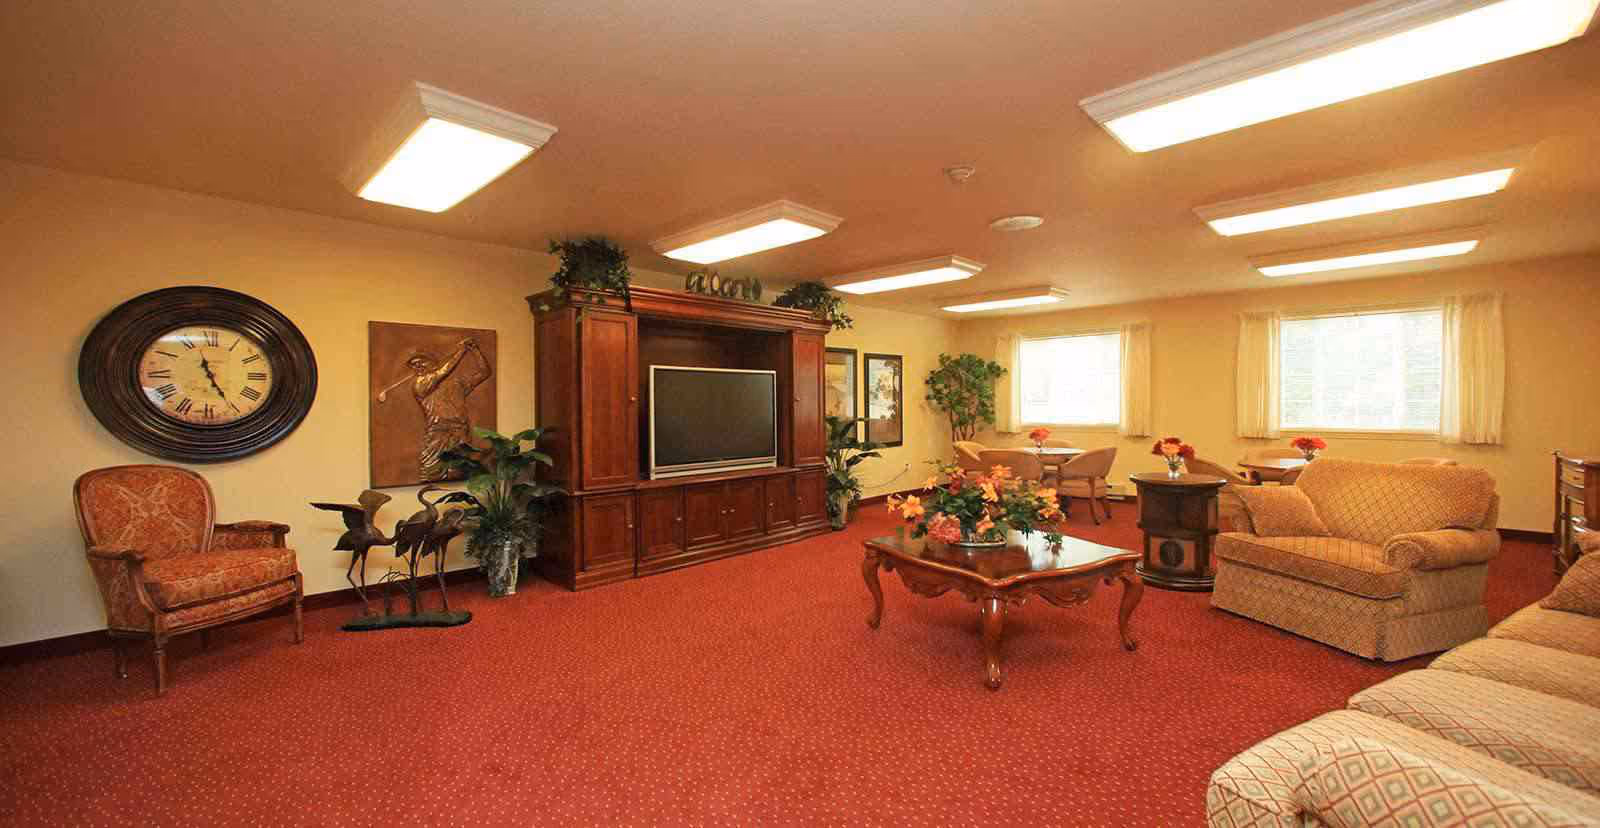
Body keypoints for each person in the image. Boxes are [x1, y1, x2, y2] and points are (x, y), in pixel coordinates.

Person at [405, 338, 490, 481]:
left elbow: (484, 372)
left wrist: (475, 351)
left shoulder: (456, 384)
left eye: (421, 362)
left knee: (459, 473)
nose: (417, 366)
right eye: (414, 365)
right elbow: (444, 371)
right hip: (438, 432)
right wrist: (461, 350)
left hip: (460, 430)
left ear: (433, 362)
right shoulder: (420, 384)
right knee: (430, 473)